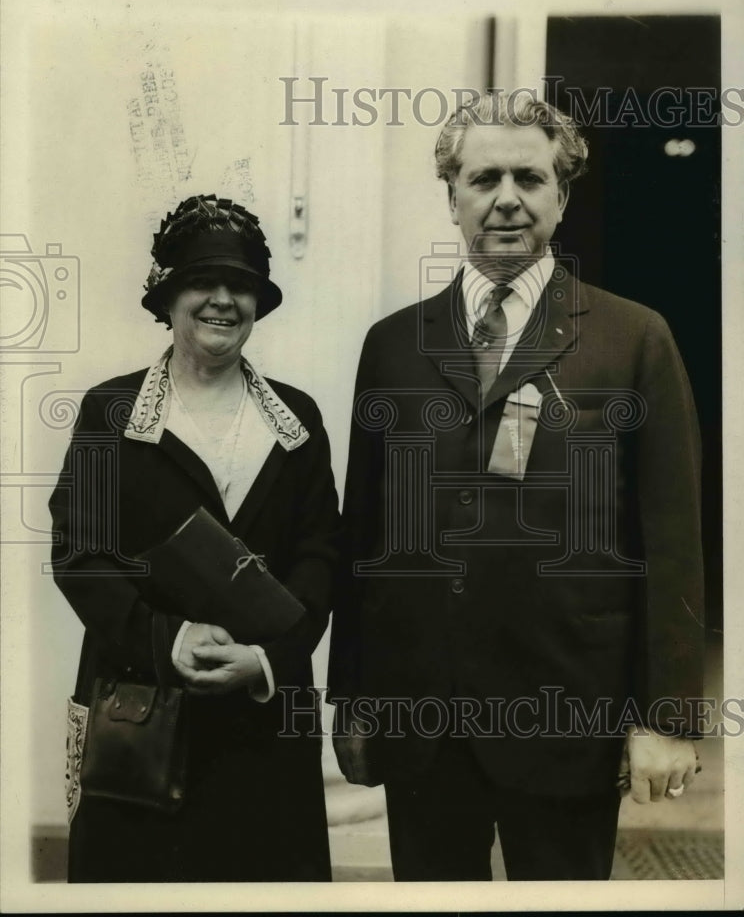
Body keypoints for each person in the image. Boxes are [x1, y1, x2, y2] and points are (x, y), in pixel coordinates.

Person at [328, 92, 705, 881]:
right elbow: (363, 535)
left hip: (569, 714)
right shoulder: (393, 345)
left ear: (561, 197)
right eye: (484, 177)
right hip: (423, 718)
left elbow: (672, 541)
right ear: (453, 196)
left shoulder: (633, 339)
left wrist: (666, 717)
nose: (506, 198)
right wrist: (355, 699)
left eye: (529, 179)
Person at [49, 194, 339, 882]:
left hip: (265, 722)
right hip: (141, 721)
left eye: (240, 285)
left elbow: (322, 554)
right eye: (200, 282)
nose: (221, 300)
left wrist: (268, 657)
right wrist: (167, 639)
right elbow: (79, 554)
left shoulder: (297, 419)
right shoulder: (110, 413)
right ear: (167, 296)